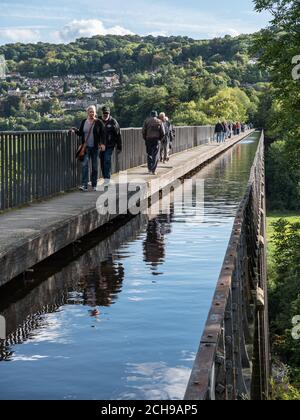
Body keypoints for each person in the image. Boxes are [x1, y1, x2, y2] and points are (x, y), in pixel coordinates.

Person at [71, 105, 106, 192]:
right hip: (86, 148)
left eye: (93, 112)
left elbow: (103, 134)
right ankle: (84, 185)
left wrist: (102, 144)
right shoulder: (84, 122)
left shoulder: (99, 122)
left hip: (95, 148)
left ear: (95, 113)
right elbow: (80, 133)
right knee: (85, 166)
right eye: (90, 112)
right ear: (87, 113)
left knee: (94, 167)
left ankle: (94, 185)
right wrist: (74, 130)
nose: (91, 113)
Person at [100, 106, 122, 184]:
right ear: (102, 113)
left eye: (107, 113)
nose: (105, 114)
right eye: (104, 113)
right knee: (102, 162)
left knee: (106, 160)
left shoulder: (113, 122)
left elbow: (118, 134)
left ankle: (107, 180)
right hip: (100, 146)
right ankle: (105, 178)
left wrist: (119, 147)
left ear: (109, 113)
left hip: (110, 145)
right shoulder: (98, 121)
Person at [142, 110, 165, 175]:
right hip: (156, 140)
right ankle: (153, 170)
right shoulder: (160, 121)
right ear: (156, 115)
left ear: (150, 115)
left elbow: (143, 131)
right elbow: (163, 132)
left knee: (149, 154)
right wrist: (159, 139)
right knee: (155, 155)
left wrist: (145, 138)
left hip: (148, 140)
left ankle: (149, 169)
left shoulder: (146, 121)